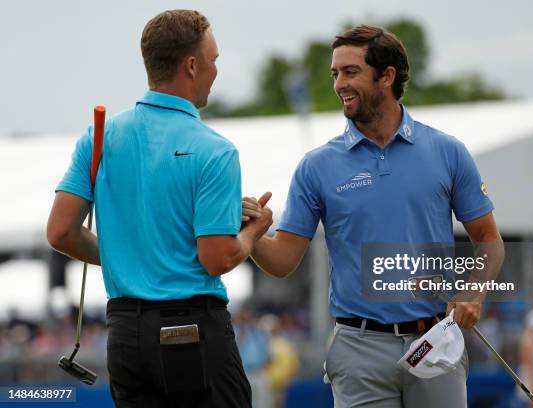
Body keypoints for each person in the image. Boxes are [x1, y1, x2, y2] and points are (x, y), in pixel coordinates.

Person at [243, 25, 504, 407]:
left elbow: (489, 241)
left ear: (386, 76)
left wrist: (474, 291)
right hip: (357, 348)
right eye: (335, 74)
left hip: (435, 342)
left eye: (350, 72)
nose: (339, 84)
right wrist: (251, 237)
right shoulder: (316, 166)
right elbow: (283, 260)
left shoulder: (448, 152)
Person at [47, 9, 272, 407]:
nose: (216, 70)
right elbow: (217, 257)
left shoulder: (100, 137)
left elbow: (61, 232)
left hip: (125, 335)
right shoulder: (215, 149)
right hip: (193, 330)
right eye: (214, 59)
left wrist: (130, 258)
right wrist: (254, 230)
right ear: (191, 65)